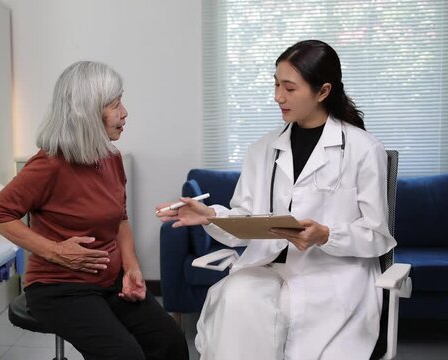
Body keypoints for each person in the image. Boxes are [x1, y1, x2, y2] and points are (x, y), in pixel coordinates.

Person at [156, 40, 396, 360]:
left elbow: (377, 236)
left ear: (323, 91)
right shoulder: (263, 149)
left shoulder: (364, 149)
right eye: (275, 84)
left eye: (289, 87)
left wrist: (326, 235)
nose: (277, 96)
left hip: (333, 275)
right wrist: (210, 215)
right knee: (235, 298)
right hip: (267, 269)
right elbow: (243, 218)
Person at [0, 61, 188, 360]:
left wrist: (131, 267)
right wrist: (55, 251)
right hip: (60, 289)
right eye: (115, 104)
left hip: (111, 281)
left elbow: (120, 219)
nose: (125, 112)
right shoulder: (49, 164)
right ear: (87, 112)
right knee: (124, 355)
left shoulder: (111, 158)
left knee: (170, 341)